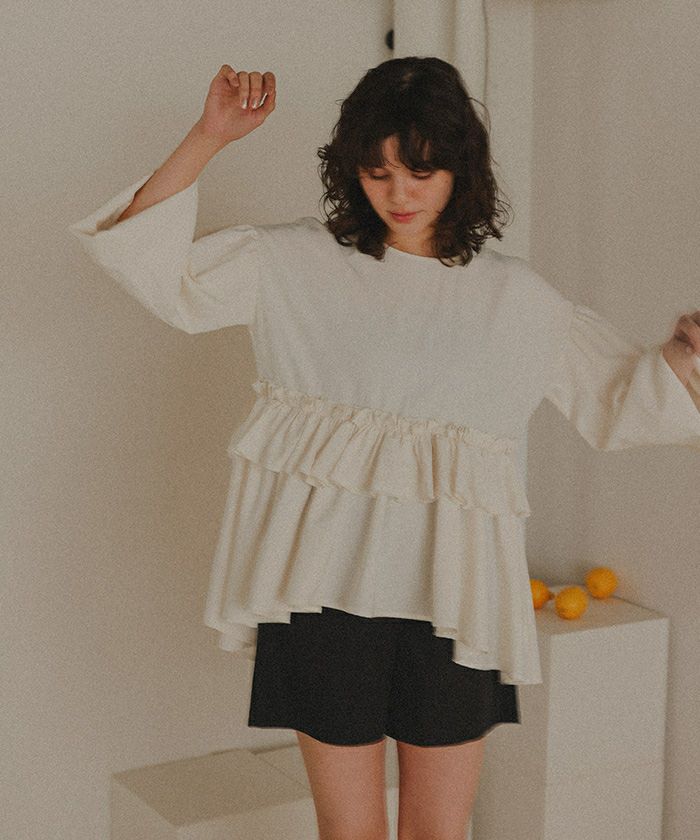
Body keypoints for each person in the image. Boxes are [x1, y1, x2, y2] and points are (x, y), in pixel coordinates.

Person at [69, 57, 700, 840]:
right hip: (322, 594)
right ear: (353, 170)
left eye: (421, 172)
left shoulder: (520, 301)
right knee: (350, 833)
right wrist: (209, 136)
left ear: (461, 170)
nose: (399, 194)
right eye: (378, 172)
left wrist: (684, 358)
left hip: (454, 597)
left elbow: (621, 400)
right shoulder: (296, 262)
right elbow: (153, 266)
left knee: (439, 832)